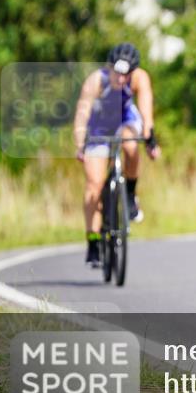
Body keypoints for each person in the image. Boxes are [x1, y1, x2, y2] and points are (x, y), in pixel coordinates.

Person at [73, 43, 161, 266]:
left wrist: (150, 138)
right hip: (100, 125)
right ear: (109, 67)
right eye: (117, 73)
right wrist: (80, 143)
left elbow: (146, 111)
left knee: (130, 145)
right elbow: (82, 113)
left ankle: (130, 194)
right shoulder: (96, 80)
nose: (121, 79)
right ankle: (93, 242)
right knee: (94, 185)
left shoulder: (140, 78)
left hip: (125, 119)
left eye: (126, 75)